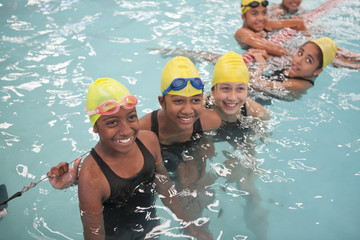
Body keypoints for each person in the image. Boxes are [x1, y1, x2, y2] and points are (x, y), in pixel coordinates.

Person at [48, 78, 212, 240]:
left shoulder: (149, 142)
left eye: (131, 117)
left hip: (150, 227)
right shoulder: (92, 176)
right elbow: (94, 234)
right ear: (95, 128)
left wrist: (187, 225)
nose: (126, 131)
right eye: (112, 122)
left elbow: (164, 185)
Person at [139, 56, 222, 233]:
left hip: (191, 147)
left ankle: (197, 227)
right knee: (183, 185)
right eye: (178, 101)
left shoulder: (211, 120)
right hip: (160, 152)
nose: (188, 110)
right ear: (162, 102)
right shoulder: (145, 128)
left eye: (195, 100)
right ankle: (193, 229)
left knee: (198, 187)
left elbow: (207, 146)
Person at [249, 37, 338, 99]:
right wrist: (265, 56)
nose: (298, 61)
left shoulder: (299, 85)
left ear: (317, 71)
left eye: (308, 60)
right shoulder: (297, 66)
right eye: (300, 53)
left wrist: (261, 64)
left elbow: (256, 84)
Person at [234, 0, 309, 56]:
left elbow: (298, 23)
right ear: (243, 17)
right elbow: (275, 49)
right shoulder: (242, 32)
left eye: (264, 13)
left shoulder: (266, 24)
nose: (261, 18)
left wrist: (308, 39)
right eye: (254, 13)